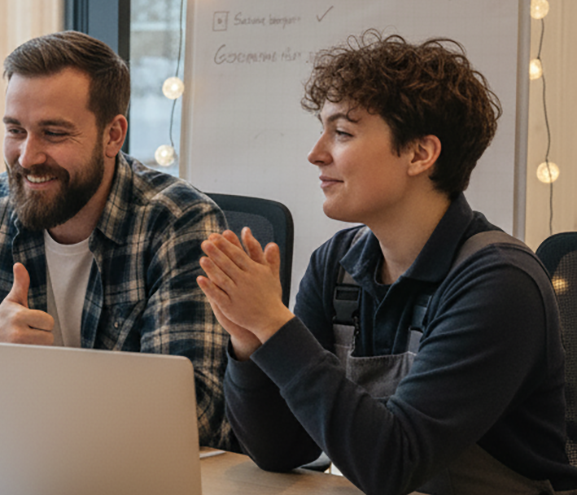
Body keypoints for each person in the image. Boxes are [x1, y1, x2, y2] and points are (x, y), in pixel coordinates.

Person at [197, 32, 577, 495]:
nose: (316, 153)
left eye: (342, 133)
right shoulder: (335, 263)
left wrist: (275, 326)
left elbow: (393, 464)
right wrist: (248, 342)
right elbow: (279, 450)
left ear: (420, 153)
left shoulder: (499, 283)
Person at [0, 30, 233, 451]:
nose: (28, 157)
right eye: (16, 130)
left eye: (54, 133)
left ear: (112, 135)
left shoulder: (179, 223)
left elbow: (193, 411)